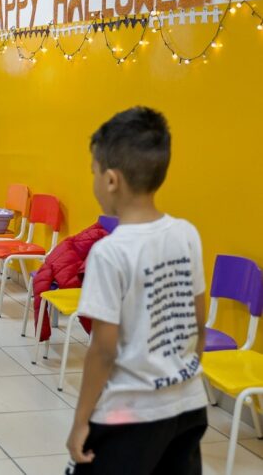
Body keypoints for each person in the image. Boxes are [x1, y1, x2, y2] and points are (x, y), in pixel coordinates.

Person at [66, 107, 208, 474]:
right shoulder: (186, 234)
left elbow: (103, 350)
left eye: (94, 172)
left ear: (111, 180)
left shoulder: (109, 252)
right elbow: (198, 320)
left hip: (129, 416)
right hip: (189, 404)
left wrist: (81, 420)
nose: (94, 181)